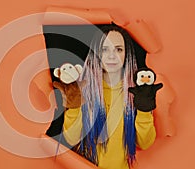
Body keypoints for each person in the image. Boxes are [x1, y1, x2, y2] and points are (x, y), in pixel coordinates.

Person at [60, 24, 156, 169]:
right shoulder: (83, 89)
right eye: (104, 49)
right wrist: (73, 106)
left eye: (118, 49)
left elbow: (145, 143)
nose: (112, 56)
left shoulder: (137, 93)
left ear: (127, 54)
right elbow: (71, 138)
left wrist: (144, 111)